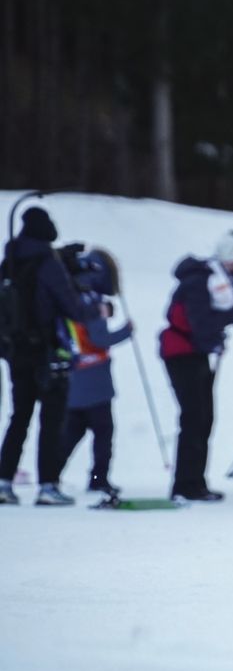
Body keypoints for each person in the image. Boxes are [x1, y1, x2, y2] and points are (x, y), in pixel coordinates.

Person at [0, 207, 91, 506]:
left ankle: (4, 482)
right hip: (48, 351)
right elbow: (72, 307)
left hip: (16, 351)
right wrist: (91, 304)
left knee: (19, 417)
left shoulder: (10, 261)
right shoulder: (48, 264)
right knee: (52, 420)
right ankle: (48, 485)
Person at [160, 230, 233, 501]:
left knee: (204, 417)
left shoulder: (214, 278)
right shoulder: (200, 281)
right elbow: (201, 323)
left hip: (195, 353)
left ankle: (195, 481)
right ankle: (186, 485)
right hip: (182, 353)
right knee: (194, 417)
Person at [59, 248, 132, 497]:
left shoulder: (72, 293)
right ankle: (99, 479)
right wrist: (125, 332)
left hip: (76, 376)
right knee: (103, 432)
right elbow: (99, 338)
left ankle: (51, 472)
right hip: (95, 379)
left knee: (72, 430)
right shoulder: (90, 299)